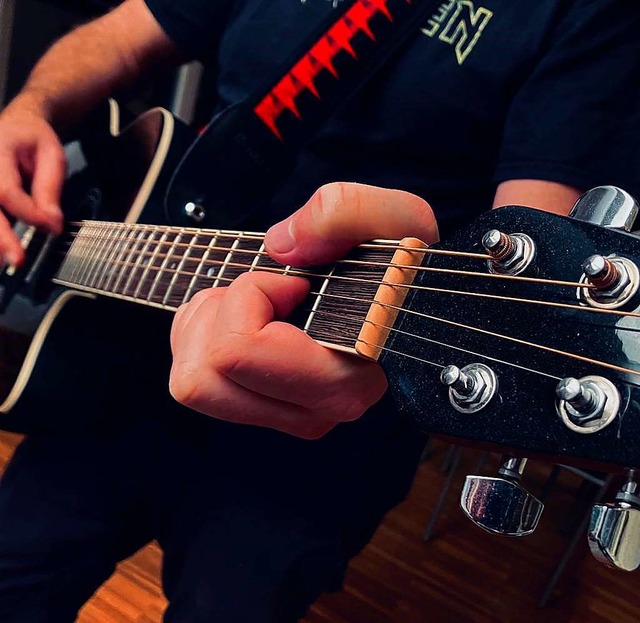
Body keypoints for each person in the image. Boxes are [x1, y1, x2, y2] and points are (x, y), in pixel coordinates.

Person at [0, 0, 638, 621]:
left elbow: (529, 262)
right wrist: (29, 109)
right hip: (108, 362)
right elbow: (124, 32)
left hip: (338, 410)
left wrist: (427, 301)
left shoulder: (589, 13)